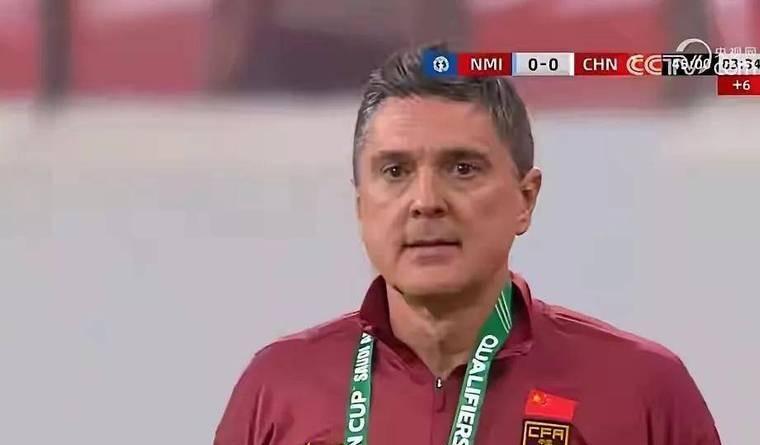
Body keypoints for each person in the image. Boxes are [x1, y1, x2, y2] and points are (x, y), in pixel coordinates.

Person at [214, 43, 721, 445]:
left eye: (462, 168)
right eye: (395, 171)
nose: (426, 201)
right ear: (361, 205)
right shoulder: (278, 389)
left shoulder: (641, 390)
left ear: (525, 199)